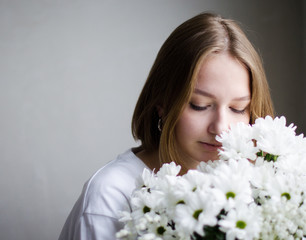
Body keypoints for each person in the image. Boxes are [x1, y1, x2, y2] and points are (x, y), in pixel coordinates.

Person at [59, 12, 274, 240]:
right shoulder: (112, 196)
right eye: (199, 105)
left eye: (238, 108)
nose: (221, 128)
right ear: (162, 103)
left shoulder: (258, 187)